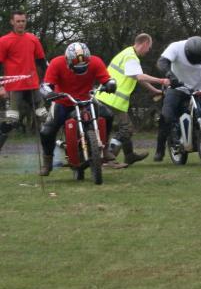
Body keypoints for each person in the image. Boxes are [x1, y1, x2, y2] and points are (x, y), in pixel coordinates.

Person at [38, 43, 116, 175]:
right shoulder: (56, 63)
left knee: (108, 115)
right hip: (62, 102)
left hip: (87, 100)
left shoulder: (96, 62)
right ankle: (48, 162)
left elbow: (106, 79)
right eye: (77, 68)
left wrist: (110, 85)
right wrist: (49, 93)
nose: (80, 71)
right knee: (47, 131)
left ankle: (105, 148)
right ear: (68, 61)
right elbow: (46, 85)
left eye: (84, 67)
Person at [96, 33, 170, 165]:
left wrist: (155, 90)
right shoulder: (131, 57)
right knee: (127, 129)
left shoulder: (127, 53)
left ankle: (129, 155)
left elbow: (137, 77)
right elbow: (140, 77)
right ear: (145, 43)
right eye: (149, 47)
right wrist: (162, 80)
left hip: (106, 97)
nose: (148, 51)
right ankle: (108, 158)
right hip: (113, 99)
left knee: (125, 127)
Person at [153, 36, 201, 162]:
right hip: (177, 88)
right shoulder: (176, 47)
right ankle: (160, 150)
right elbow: (162, 62)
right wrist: (170, 75)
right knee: (167, 117)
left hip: (198, 90)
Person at [0, 10, 48, 152]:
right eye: (18, 21)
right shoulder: (4, 41)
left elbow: (41, 62)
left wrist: (46, 81)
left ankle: (49, 153)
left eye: (23, 21)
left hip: (33, 85)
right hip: (14, 87)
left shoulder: (33, 39)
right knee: (12, 121)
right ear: (12, 22)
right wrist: (1, 87)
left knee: (44, 116)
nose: (21, 24)